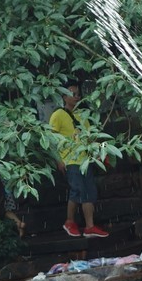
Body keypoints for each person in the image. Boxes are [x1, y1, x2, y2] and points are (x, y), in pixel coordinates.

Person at [50, 81, 107, 238]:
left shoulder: (83, 115)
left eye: (78, 94)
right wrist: (58, 160)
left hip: (85, 160)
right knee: (78, 190)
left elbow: (89, 137)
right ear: (64, 97)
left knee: (90, 192)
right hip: (70, 160)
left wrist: (98, 152)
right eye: (72, 94)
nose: (76, 97)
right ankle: (69, 221)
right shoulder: (58, 115)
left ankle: (90, 226)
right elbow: (51, 139)